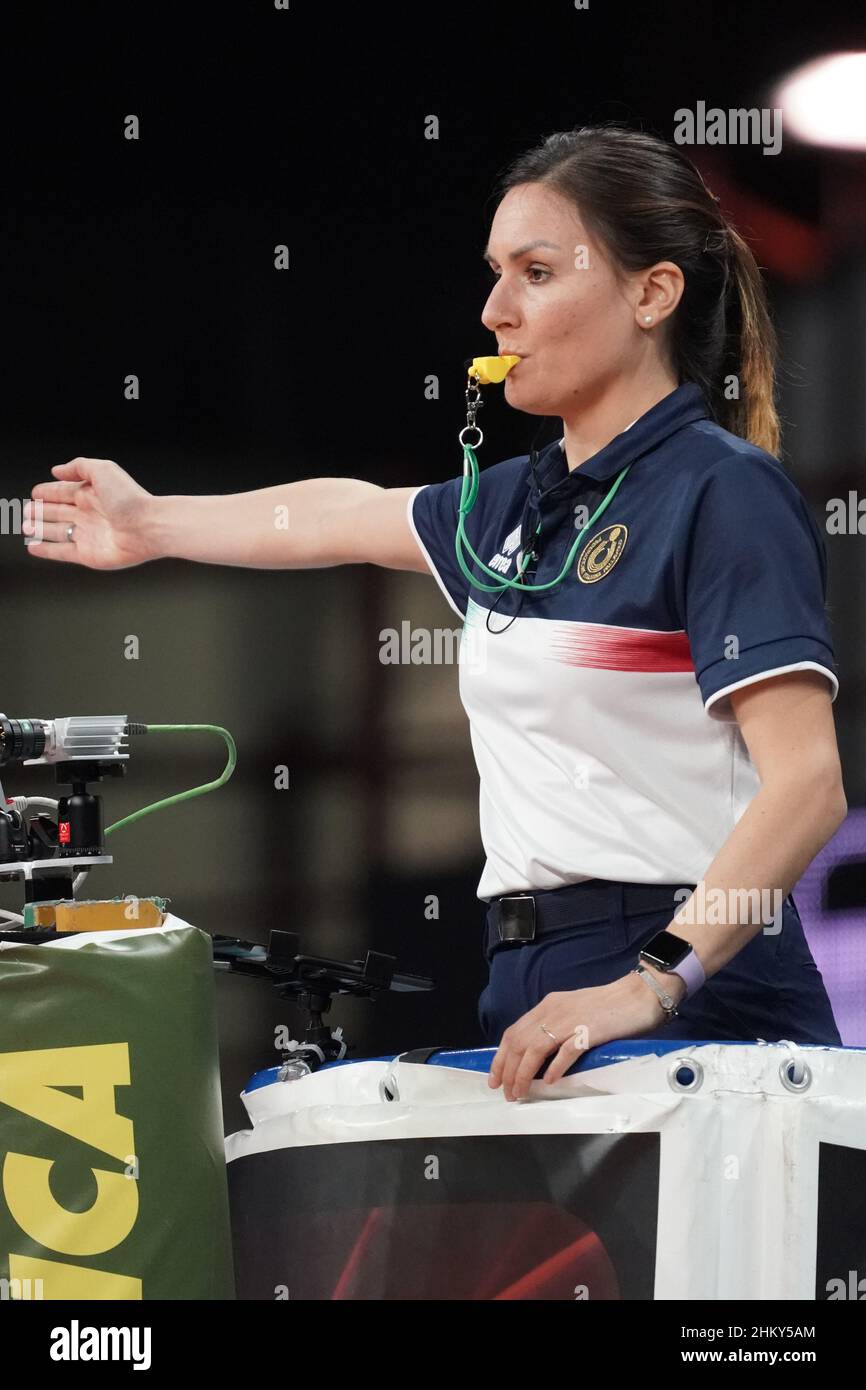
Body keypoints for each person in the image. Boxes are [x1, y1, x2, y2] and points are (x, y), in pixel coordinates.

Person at [23, 124, 847, 1102]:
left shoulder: (721, 492)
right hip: (527, 976)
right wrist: (148, 521)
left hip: (699, 991)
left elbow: (806, 787)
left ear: (649, 293)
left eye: (535, 272)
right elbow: (334, 514)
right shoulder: (513, 501)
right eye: (495, 272)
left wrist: (653, 978)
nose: (494, 310)